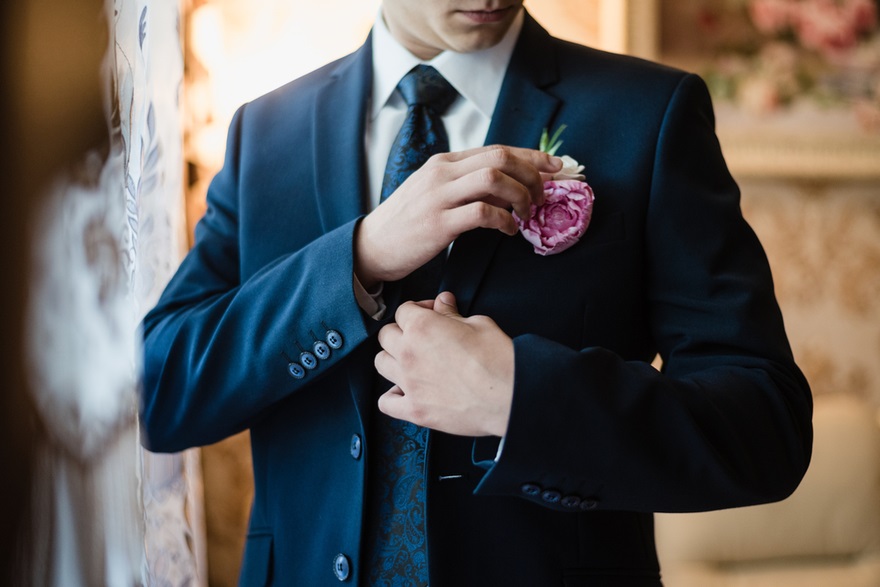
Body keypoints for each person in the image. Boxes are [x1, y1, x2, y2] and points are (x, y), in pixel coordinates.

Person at [141, 1, 813, 585]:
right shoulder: (265, 133)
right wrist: (362, 253)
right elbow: (161, 389)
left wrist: (522, 396)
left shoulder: (648, 114)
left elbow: (765, 424)